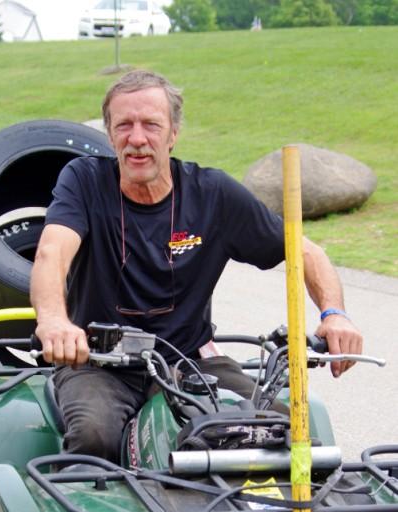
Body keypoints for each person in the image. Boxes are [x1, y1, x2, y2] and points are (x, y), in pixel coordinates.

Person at [30, 69, 362, 462]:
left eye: (151, 125)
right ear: (110, 132)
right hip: (99, 365)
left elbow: (306, 252)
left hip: (187, 360)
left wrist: (336, 315)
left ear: (173, 134)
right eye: (124, 125)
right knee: (94, 437)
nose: (137, 139)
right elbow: (52, 252)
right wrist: (53, 321)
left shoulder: (212, 194)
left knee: (280, 432)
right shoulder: (84, 181)